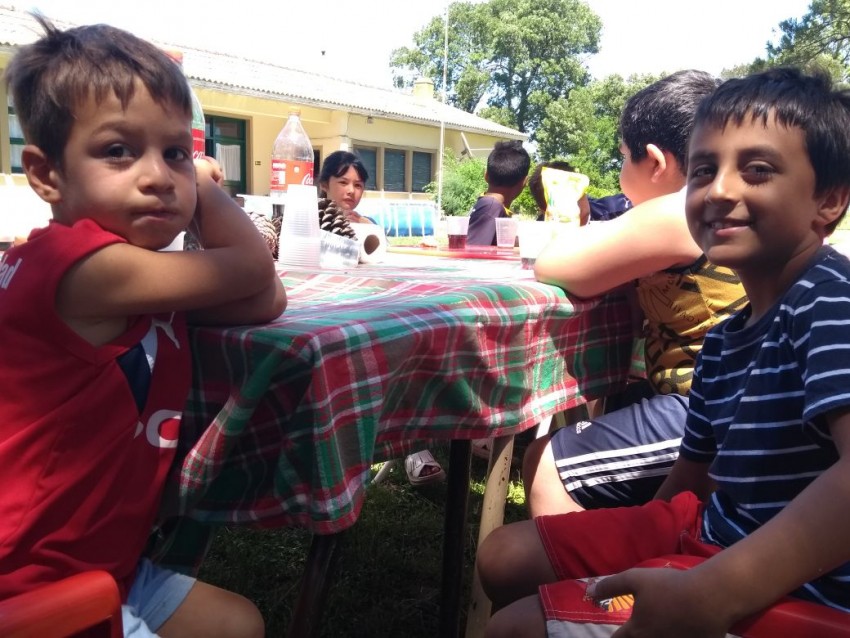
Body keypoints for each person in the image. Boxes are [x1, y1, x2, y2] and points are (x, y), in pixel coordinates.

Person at [478, 66, 850, 638]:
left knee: (513, 628)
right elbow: (691, 477)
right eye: (704, 170)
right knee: (503, 555)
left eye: (757, 169)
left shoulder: (829, 302)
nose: (721, 190)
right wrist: (640, 565)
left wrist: (709, 591)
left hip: (804, 587)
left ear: (828, 199)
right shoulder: (726, 338)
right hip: (712, 526)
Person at [0, 17, 287, 638]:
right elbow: (250, 267)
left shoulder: (138, 280)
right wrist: (205, 188)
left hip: (104, 563)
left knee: (240, 624)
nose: (158, 176)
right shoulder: (81, 268)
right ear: (47, 174)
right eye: (118, 150)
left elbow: (262, 298)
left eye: (174, 152)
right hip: (27, 578)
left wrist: (193, 182)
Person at [523, 70, 747, 519]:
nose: (621, 171)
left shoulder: (680, 209)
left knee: (545, 462)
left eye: (624, 158)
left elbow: (553, 265)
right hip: (735, 399)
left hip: (715, 410)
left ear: (656, 163)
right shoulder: (723, 202)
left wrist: (566, 217)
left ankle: (589, 584)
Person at [466, 140, 531, 246]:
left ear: (486, 176)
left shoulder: (488, 205)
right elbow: (472, 255)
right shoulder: (491, 208)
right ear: (524, 182)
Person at [527, 160, 632, 224]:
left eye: (574, 192)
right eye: (561, 200)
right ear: (544, 210)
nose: (575, 207)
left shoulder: (619, 211)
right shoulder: (541, 231)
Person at [318, 150, 374, 224]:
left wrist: (372, 229)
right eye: (343, 182)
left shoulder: (368, 224)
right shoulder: (310, 222)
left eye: (357, 185)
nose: (351, 191)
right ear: (324, 184)